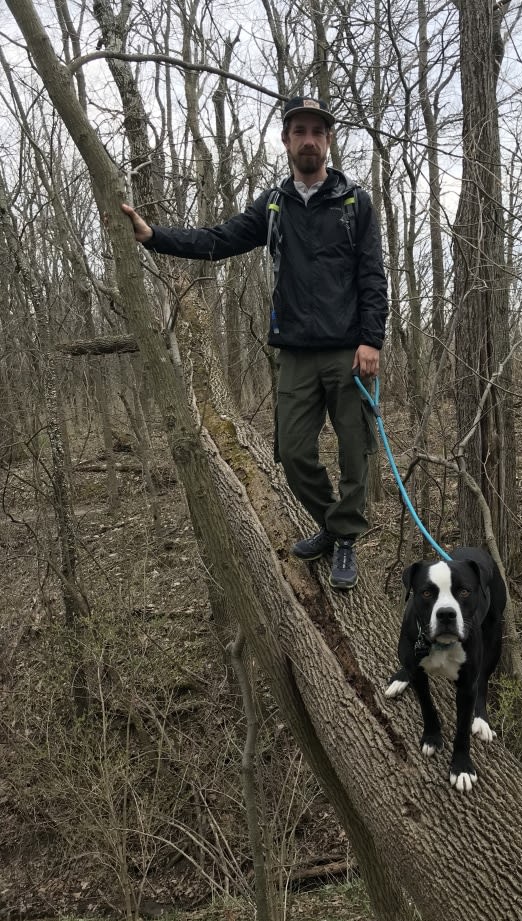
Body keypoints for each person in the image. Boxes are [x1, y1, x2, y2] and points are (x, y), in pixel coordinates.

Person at [122, 96, 387, 590]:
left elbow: (373, 275)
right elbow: (217, 240)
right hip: (295, 352)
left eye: (318, 131)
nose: (309, 140)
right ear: (286, 140)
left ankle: (345, 539)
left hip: (349, 351)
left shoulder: (355, 203)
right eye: (299, 131)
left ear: (328, 141)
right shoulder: (272, 205)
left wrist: (371, 340)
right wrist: (154, 235)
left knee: (355, 450)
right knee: (291, 452)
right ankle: (334, 526)